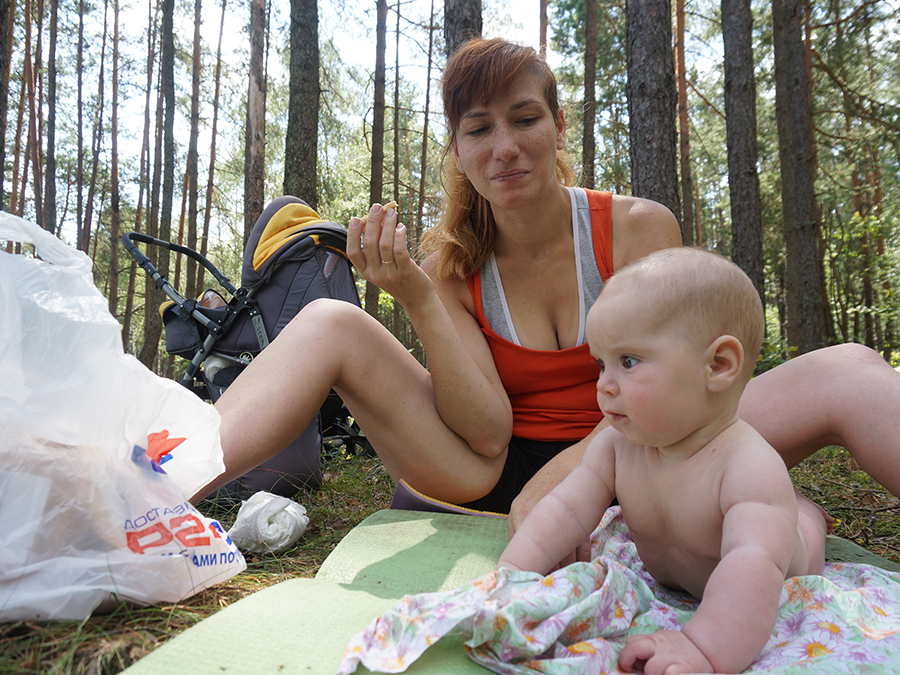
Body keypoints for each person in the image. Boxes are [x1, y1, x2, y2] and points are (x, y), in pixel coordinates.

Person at [195, 38, 900, 538]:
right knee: (328, 323)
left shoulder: (637, 229)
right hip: (491, 475)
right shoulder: (450, 266)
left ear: (557, 128)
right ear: (460, 154)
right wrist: (414, 294)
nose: (505, 146)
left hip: (653, 446)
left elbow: (688, 385)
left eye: (525, 119)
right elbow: (486, 431)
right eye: (480, 130)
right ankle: (144, 497)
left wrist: (582, 466)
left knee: (849, 369)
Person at [498, 247, 829, 675]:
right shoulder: (616, 447)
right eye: (602, 364)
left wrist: (704, 648)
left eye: (628, 362)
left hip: (784, 567)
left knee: (799, 533)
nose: (604, 385)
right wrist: (509, 575)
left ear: (718, 365)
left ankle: (808, 516)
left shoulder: (748, 466)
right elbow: (563, 509)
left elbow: (754, 565)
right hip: (678, 575)